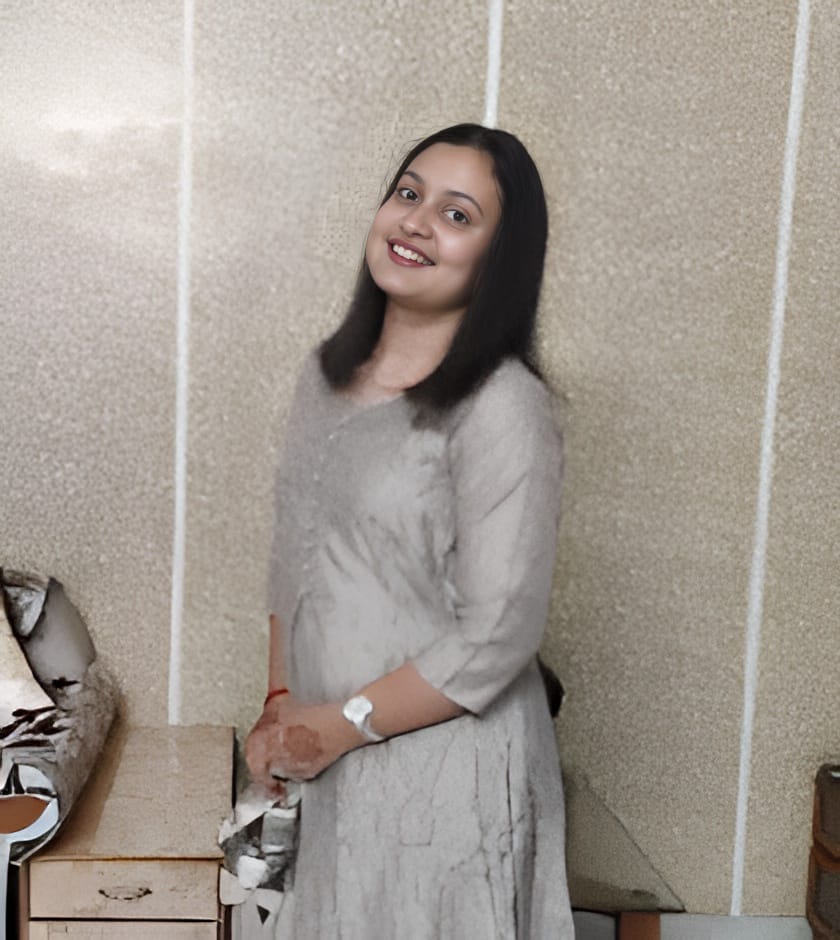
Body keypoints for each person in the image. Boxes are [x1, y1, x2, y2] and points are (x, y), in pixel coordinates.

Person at [245, 123, 574, 939]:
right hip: (328, 755)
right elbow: (295, 556)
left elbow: (500, 629)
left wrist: (344, 722)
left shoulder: (503, 404)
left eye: (458, 215)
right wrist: (282, 705)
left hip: (448, 772)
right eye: (408, 193)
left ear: (498, 260)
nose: (418, 222)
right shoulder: (323, 377)